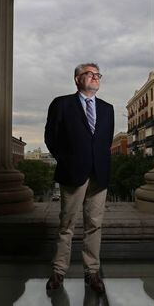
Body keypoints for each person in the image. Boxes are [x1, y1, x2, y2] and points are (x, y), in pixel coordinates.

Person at [44, 63, 114, 294]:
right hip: (72, 173)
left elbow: (104, 143)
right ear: (77, 79)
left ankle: (92, 272)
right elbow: (51, 137)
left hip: (99, 175)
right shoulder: (61, 104)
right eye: (90, 74)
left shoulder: (107, 108)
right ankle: (58, 272)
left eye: (98, 75)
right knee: (67, 225)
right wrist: (66, 160)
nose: (95, 78)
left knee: (95, 225)